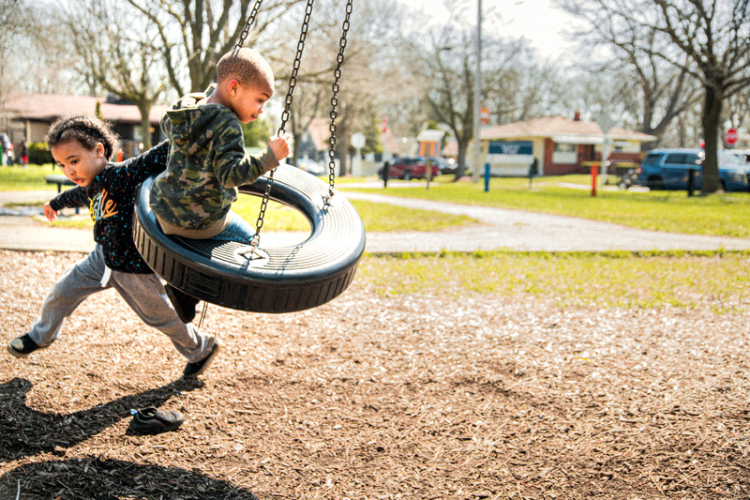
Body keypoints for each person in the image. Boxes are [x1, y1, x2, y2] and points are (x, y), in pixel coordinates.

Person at [6, 116, 220, 379]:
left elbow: (158, 155)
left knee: (162, 318)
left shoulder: (122, 174)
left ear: (98, 151)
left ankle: (201, 348)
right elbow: (74, 195)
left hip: (133, 268)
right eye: (62, 165)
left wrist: (196, 124)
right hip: (101, 259)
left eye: (74, 161)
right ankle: (40, 336)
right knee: (61, 292)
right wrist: (55, 203)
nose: (69, 172)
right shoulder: (89, 184)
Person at [149, 47, 290, 322]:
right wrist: (268, 158)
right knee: (253, 244)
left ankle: (186, 285)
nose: (261, 110)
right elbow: (231, 175)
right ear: (234, 88)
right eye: (260, 100)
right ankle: (185, 294)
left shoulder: (187, 110)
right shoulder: (227, 124)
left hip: (165, 211)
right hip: (199, 222)